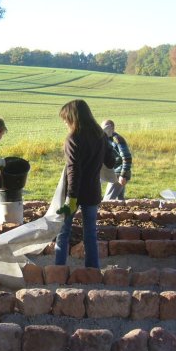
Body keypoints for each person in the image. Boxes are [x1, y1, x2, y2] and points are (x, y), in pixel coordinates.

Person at [55, 100, 115, 269]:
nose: (65, 122)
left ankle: (59, 269)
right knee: (90, 234)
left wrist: (71, 199)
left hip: (74, 193)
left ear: (74, 117)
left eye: (66, 119)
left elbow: (73, 171)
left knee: (63, 232)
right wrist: (108, 142)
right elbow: (111, 162)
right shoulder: (100, 136)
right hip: (93, 192)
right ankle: (92, 271)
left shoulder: (73, 139)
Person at [100, 119, 132, 201]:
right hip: (111, 172)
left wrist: (123, 175)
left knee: (108, 201)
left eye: (106, 127)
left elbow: (127, 158)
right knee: (120, 200)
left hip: (118, 173)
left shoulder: (117, 139)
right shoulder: (105, 139)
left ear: (112, 128)